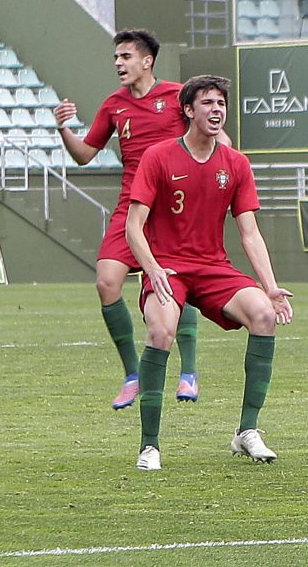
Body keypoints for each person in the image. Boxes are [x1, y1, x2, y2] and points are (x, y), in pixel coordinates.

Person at [54, 29, 230, 409]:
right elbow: (85, 154)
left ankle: (189, 372)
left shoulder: (178, 96)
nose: (119, 63)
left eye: (126, 57)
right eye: (116, 57)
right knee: (106, 282)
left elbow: (221, 142)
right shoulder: (113, 105)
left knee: (180, 280)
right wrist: (63, 129)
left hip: (174, 208)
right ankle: (132, 374)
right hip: (133, 205)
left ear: (147, 61)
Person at [125, 75, 292, 472]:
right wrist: (152, 270)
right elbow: (134, 226)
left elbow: (249, 232)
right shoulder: (159, 157)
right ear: (188, 110)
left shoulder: (235, 163)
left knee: (264, 316)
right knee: (161, 332)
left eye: (221, 103)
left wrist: (271, 288)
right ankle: (150, 445)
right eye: (207, 103)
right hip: (167, 267)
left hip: (213, 267)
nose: (216, 110)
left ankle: (247, 431)